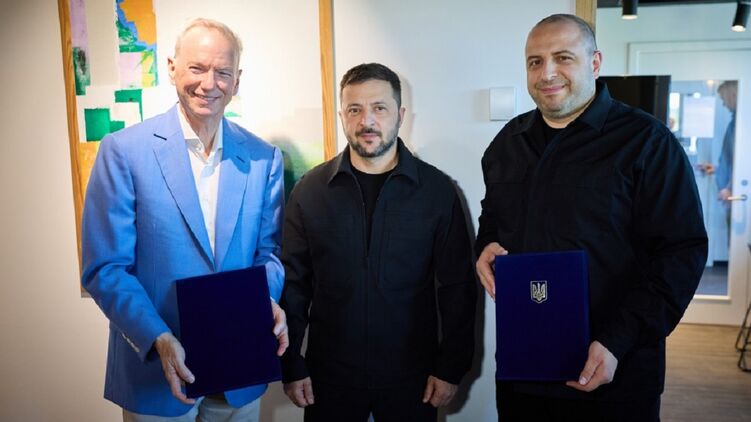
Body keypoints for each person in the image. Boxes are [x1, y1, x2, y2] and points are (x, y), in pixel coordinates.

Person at [475, 14, 708, 421]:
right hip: (524, 369)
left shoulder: (647, 143)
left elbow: (680, 253)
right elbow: (493, 218)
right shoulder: (506, 145)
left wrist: (619, 339)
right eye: (535, 61)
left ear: (595, 63)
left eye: (563, 58)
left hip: (616, 371)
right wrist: (485, 247)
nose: (547, 73)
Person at [81, 18, 288, 421]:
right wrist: (157, 337)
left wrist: (264, 300)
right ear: (172, 68)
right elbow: (105, 267)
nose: (209, 84)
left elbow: (271, 253)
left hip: (240, 370)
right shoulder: (123, 151)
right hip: (155, 372)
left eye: (222, 72)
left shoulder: (264, 158)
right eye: (197, 68)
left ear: (237, 80)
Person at [280, 63, 477, 421]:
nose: (366, 121)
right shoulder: (309, 192)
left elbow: (457, 286)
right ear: (342, 116)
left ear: (400, 115)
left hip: (413, 379)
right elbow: (293, 287)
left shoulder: (437, 192)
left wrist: (451, 367)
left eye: (379, 108)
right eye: (354, 109)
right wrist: (291, 364)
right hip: (329, 380)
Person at [698, 80, 737, 205]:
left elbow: (742, 161)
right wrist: (717, 169)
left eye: (724, 99)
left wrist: (729, 187)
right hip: (728, 192)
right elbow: (731, 159)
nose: (724, 104)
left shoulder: (740, 125)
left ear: (733, 95)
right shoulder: (734, 123)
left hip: (732, 194)